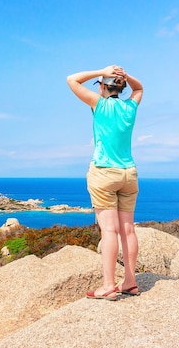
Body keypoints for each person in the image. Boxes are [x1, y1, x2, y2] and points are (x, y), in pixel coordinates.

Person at [66, 64, 143, 301]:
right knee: (128, 229)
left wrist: (102, 69)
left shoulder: (98, 104)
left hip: (104, 173)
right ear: (119, 86)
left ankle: (108, 285)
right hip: (128, 173)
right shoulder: (130, 106)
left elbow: (71, 79)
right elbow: (139, 88)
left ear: (102, 86)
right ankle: (130, 282)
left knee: (108, 230)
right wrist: (125, 76)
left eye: (99, 83)